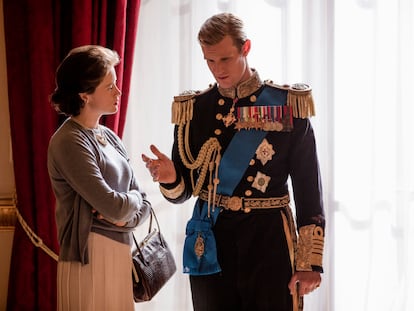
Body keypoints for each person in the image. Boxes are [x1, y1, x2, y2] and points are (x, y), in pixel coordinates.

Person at [142, 12, 325, 311]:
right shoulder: (195, 109)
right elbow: (184, 190)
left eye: (225, 59)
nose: (217, 69)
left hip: (268, 239)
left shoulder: (287, 105)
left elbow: (308, 189)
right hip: (213, 238)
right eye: (209, 61)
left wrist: (310, 263)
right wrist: (169, 178)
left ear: (246, 48)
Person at [47, 45, 151, 311]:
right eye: (109, 86)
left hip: (118, 252)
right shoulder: (69, 140)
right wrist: (126, 206)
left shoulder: (110, 137)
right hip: (89, 256)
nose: (119, 91)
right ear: (85, 95)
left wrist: (124, 210)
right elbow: (113, 205)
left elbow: (143, 204)